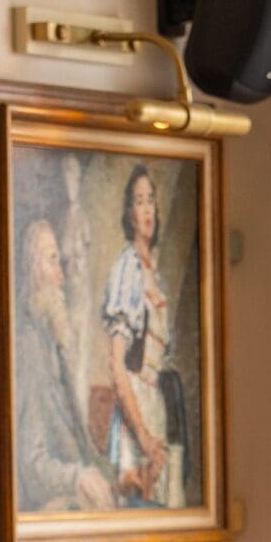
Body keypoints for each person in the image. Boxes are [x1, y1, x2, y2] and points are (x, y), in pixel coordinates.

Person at [13, 219, 114, 513]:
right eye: (53, 261)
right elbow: (32, 465)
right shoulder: (29, 345)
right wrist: (77, 478)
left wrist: (117, 478)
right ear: (33, 271)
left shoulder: (52, 345)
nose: (62, 276)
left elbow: (81, 449)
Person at [102, 166, 181, 507]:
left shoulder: (157, 278)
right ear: (129, 214)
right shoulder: (127, 268)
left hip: (156, 406)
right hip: (135, 411)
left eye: (151, 201)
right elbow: (117, 366)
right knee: (142, 502)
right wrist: (143, 436)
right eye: (139, 201)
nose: (147, 209)